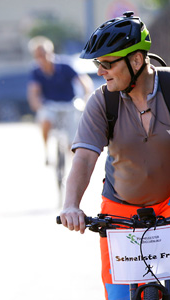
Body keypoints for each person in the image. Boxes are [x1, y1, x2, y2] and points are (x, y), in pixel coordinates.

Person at [58, 12, 170, 300]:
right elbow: (84, 158)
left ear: (135, 60)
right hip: (120, 213)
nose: (99, 71)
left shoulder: (169, 89)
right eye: (98, 64)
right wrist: (71, 205)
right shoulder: (102, 101)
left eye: (107, 63)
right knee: (120, 296)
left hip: (169, 207)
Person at [27, 36, 93, 164]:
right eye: (37, 55)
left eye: (43, 54)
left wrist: (85, 97)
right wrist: (35, 103)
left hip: (69, 103)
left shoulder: (64, 66)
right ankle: (46, 150)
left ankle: (73, 163)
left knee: (72, 136)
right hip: (49, 104)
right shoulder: (36, 71)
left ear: (50, 52)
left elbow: (83, 81)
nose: (41, 58)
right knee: (45, 120)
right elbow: (33, 90)